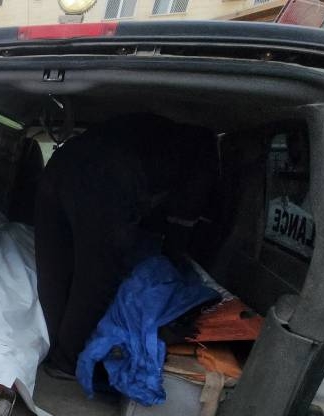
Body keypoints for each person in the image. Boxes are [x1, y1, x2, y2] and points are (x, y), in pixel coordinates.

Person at [34, 113, 218, 376]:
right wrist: (173, 263)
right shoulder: (201, 146)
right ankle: (68, 360)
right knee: (97, 277)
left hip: (62, 163)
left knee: (54, 267)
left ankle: (49, 347)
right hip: (108, 178)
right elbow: (184, 216)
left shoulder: (155, 133)